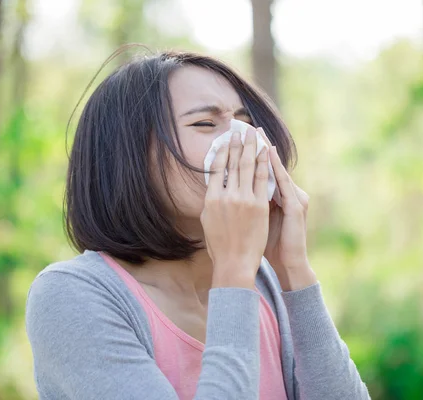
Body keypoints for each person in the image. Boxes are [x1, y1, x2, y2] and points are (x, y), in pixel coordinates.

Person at [25, 50, 370, 400]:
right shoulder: (72, 297)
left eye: (246, 122)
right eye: (205, 124)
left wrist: (293, 269)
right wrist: (234, 271)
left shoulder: (264, 280)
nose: (243, 140)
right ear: (129, 156)